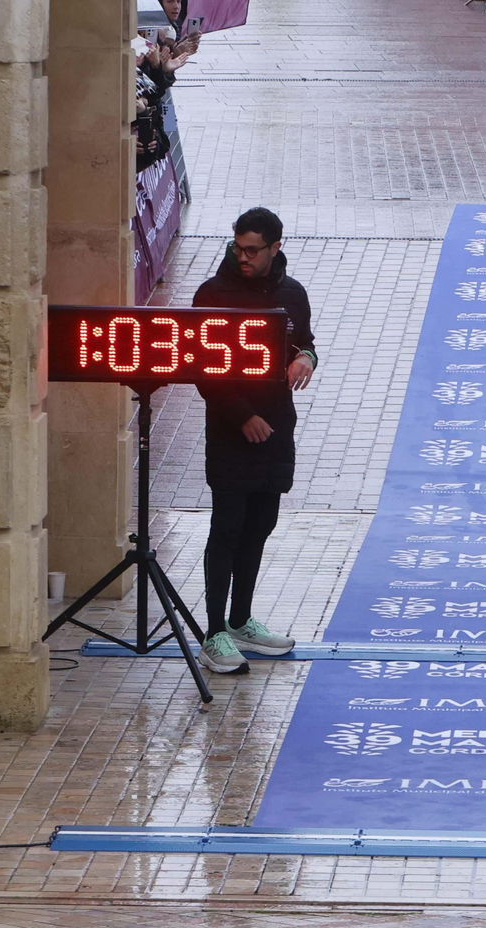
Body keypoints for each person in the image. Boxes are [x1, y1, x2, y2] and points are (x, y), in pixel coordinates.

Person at [189, 208, 317, 675]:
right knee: (227, 528)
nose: (243, 257)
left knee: (260, 525)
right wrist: (243, 415)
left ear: (275, 248)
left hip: (278, 428)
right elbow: (202, 365)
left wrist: (306, 357)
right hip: (231, 431)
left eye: (252, 250)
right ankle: (214, 632)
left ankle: (242, 621)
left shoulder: (292, 293)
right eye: (238, 248)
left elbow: (305, 341)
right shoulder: (213, 294)